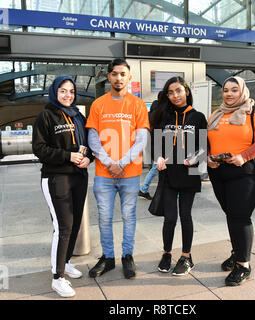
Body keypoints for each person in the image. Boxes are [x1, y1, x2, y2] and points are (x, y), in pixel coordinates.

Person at [207, 76, 255, 286]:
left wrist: (244, 156)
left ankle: (243, 265)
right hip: (219, 172)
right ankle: (237, 252)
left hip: (244, 171)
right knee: (231, 215)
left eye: (234, 90)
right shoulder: (217, 113)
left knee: (239, 217)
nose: (229, 94)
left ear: (243, 91)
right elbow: (209, 140)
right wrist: (209, 157)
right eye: (226, 90)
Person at [86, 58, 150, 279]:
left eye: (123, 74)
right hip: (104, 174)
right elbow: (93, 138)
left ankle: (127, 256)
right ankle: (108, 257)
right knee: (104, 217)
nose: (119, 78)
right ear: (108, 76)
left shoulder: (137, 104)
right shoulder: (98, 104)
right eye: (115, 74)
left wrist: (120, 163)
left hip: (130, 174)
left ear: (129, 77)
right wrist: (109, 163)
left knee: (128, 215)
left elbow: (142, 139)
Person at [32, 75, 93, 298]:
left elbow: (88, 144)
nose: (68, 95)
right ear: (54, 92)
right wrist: (68, 156)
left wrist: (89, 158)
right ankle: (57, 278)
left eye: (71, 91)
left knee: (75, 224)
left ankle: (65, 263)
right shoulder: (46, 116)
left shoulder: (78, 116)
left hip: (79, 176)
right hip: (56, 178)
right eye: (63, 91)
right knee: (63, 227)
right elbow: (39, 148)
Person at [151, 76, 207, 276]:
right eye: (171, 92)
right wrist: (158, 157)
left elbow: (204, 148)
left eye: (178, 91)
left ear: (187, 92)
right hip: (168, 173)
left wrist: (195, 159)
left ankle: (186, 256)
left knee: (185, 216)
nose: (175, 95)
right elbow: (156, 145)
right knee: (170, 218)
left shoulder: (198, 117)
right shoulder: (163, 116)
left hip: (189, 173)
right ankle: (166, 253)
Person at [138, 92, 162, 200]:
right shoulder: (161, 112)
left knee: (156, 167)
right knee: (155, 168)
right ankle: (144, 189)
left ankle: (144, 189)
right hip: (159, 142)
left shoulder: (149, 112)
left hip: (150, 141)